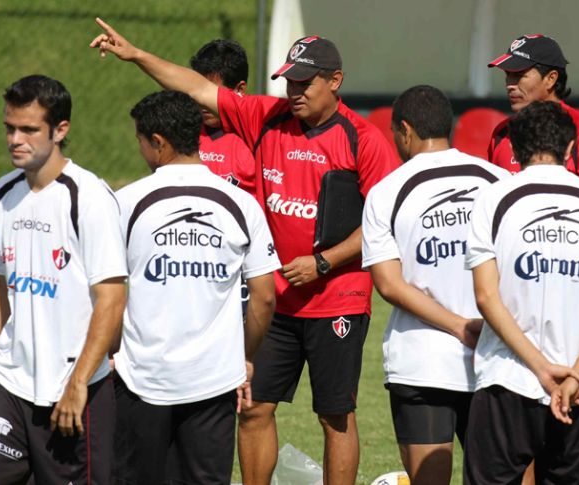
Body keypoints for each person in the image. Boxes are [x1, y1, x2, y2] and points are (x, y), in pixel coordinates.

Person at [90, 19, 400, 485]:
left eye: (305, 82)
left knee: (335, 416)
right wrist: (136, 56)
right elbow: (195, 88)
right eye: (289, 80)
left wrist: (323, 262)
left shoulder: (363, 138)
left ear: (335, 81)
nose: (294, 90)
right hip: (274, 298)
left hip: (337, 298)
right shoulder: (268, 115)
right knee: (252, 406)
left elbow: (383, 221)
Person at [112, 90, 279, 484]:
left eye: (140, 140)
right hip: (214, 377)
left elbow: (106, 291)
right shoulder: (241, 203)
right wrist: (243, 356)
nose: (140, 150)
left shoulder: (124, 202)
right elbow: (265, 296)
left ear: (158, 142)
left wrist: (110, 351)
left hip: (140, 377)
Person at [463, 101, 579, 484]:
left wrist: (541, 368)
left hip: (508, 380)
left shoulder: (492, 199)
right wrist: (575, 375)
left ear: (515, 150)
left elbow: (486, 297)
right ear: (570, 148)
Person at [361, 85, 510, 485]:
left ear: (405, 131)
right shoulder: (499, 181)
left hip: (422, 363)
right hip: (499, 358)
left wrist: (459, 326)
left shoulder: (386, 192)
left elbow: (389, 285)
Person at [0, 75, 128, 483]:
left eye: (29, 129)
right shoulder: (4, 192)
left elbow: (112, 300)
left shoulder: (89, 197)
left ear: (60, 130)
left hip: (73, 389)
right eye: (10, 127)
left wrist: (78, 383)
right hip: (9, 380)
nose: (16, 139)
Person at [486, 34, 579, 212]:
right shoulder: (502, 133)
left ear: (551, 78)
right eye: (508, 75)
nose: (510, 85)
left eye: (519, 75)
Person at [190, 39, 258, 198]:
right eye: (199, 92)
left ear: (240, 89)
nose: (203, 101)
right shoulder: (184, 131)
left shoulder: (258, 137)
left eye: (212, 94)